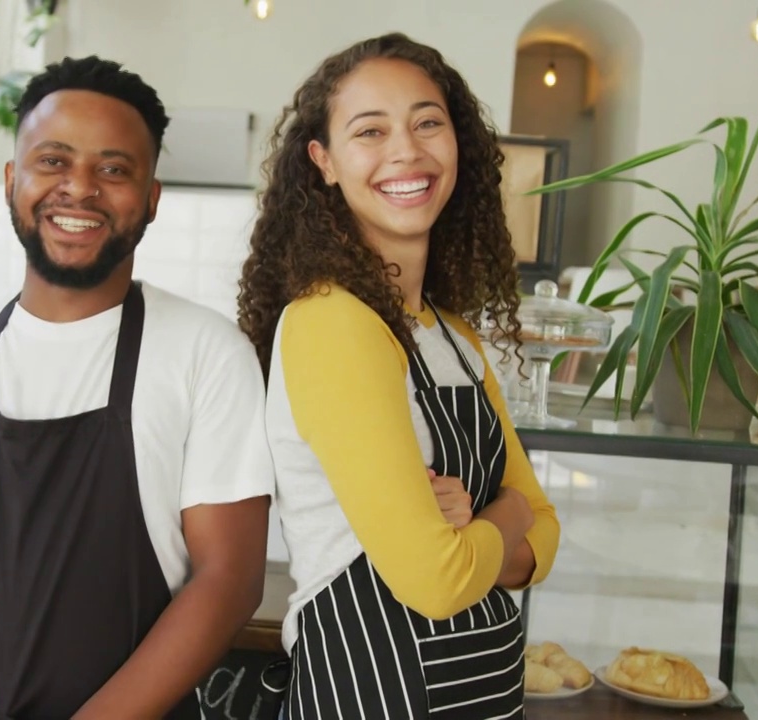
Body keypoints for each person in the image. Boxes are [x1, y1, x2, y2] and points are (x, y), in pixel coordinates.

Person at [0, 55, 275, 720]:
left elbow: (229, 579)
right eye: (53, 161)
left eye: (114, 168)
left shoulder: (205, 353)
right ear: (12, 180)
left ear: (152, 198)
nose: (79, 188)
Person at [237, 33, 561, 718]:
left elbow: (548, 538)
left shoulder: (454, 335)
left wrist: (475, 526)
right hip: (372, 693)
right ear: (323, 162)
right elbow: (438, 582)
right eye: (370, 131)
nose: (406, 151)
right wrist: (505, 513)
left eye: (427, 123)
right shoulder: (332, 322)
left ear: (457, 144)